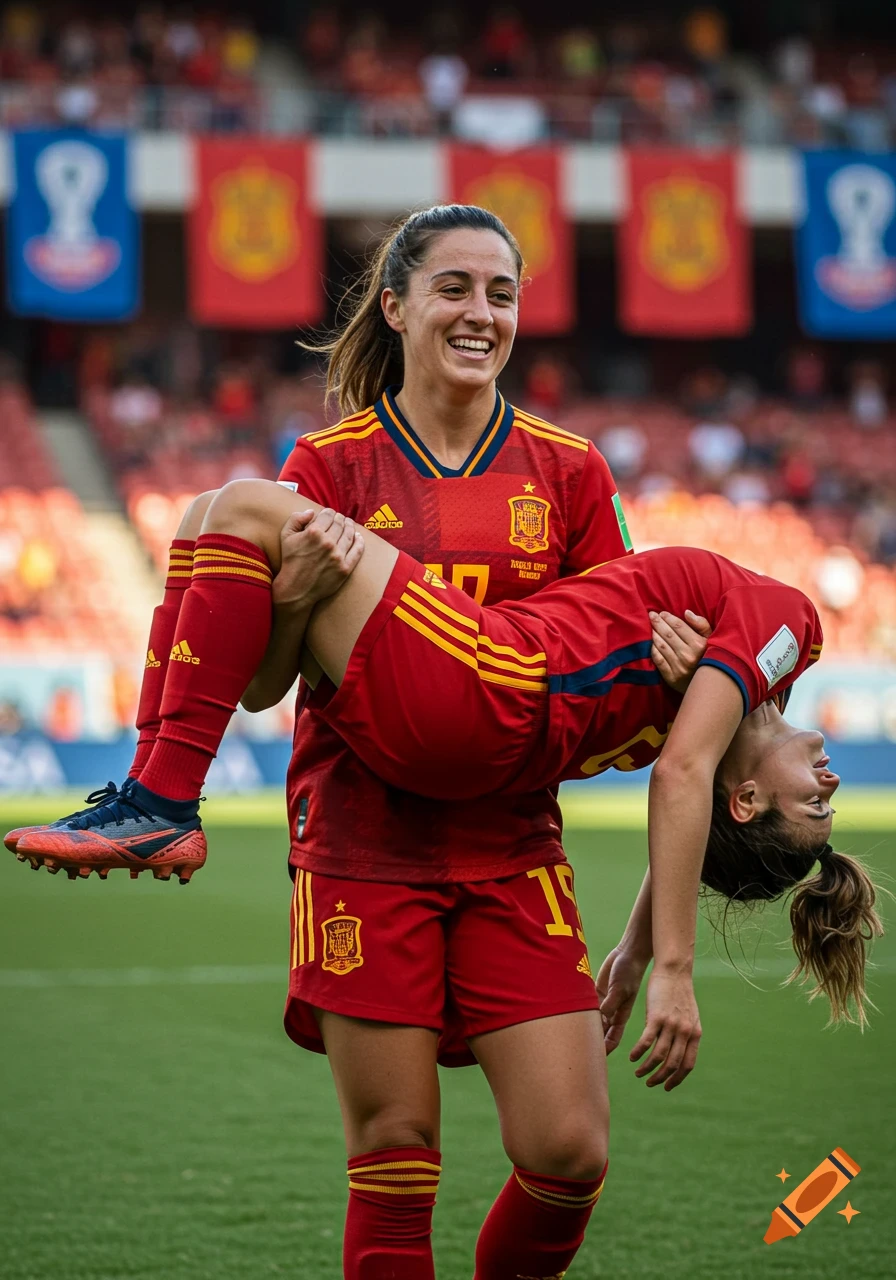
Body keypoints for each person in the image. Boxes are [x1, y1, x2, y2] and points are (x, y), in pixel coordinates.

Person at [11, 483, 884, 1280]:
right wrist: (628, 951)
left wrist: (674, 972)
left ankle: (160, 797)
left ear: (745, 798)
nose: (830, 784)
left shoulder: (789, 629)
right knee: (208, 520)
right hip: (452, 747)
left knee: (236, 513)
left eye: (813, 809)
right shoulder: (707, 695)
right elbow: (686, 796)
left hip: (486, 687)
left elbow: (682, 777)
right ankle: (148, 794)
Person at [9, 205, 649, 1280]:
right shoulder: (330, 462)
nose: (479, 312)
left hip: (509, 842)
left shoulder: (571, 473)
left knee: (566, 1151)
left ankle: (158, 799)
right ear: (394, 306)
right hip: (365, 843)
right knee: (394, 1149)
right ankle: (161, 801)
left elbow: (610, 660)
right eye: (452, 287)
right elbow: (261, 686)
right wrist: (298, 598)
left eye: (500, 292)